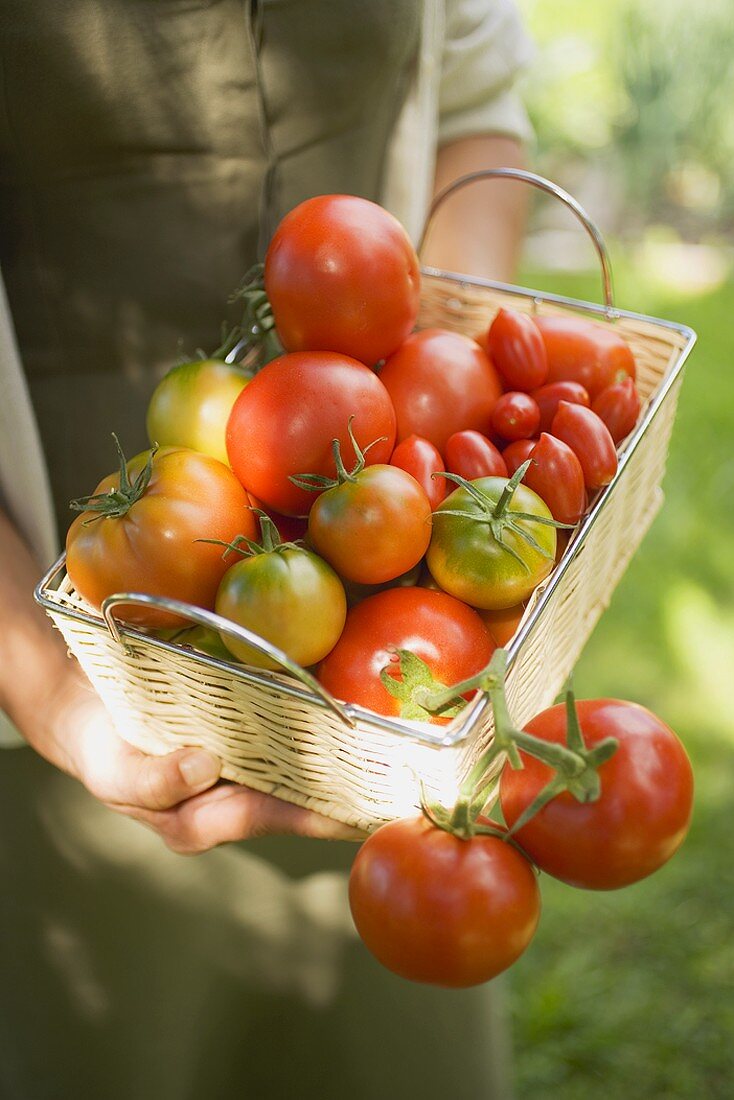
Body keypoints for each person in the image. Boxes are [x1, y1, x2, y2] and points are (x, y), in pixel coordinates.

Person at [0, 1, 533, 1096]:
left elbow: (477, 98)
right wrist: (49, 686)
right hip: (82, 660)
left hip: (397, 686)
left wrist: (448, 390)